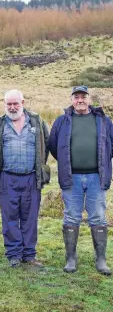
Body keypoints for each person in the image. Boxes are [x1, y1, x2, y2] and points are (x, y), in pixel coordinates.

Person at [48, 85, 112, 276]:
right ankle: (71, 258)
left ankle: (101, 259)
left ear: (89, 99)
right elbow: (54, 147)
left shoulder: (103, 121)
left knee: (98, 217)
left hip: (96, 177)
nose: (80, 100)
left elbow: (111, 145)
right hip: (71, 177)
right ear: (71, 100)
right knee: (71, 216)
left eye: (83, 96)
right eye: (76, 97)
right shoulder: (61, 122)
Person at [0, 89, 50, 268]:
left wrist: (40, 168)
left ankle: (29, 255)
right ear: (5, 104)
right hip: (7, 179)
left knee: (30, 218)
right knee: (9, 218)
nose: (12, 107)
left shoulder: (37, 121)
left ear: (23, 102)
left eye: (15, 103)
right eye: (9, 103)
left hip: (31, 178)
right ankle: (14, 255)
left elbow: (46, 146)